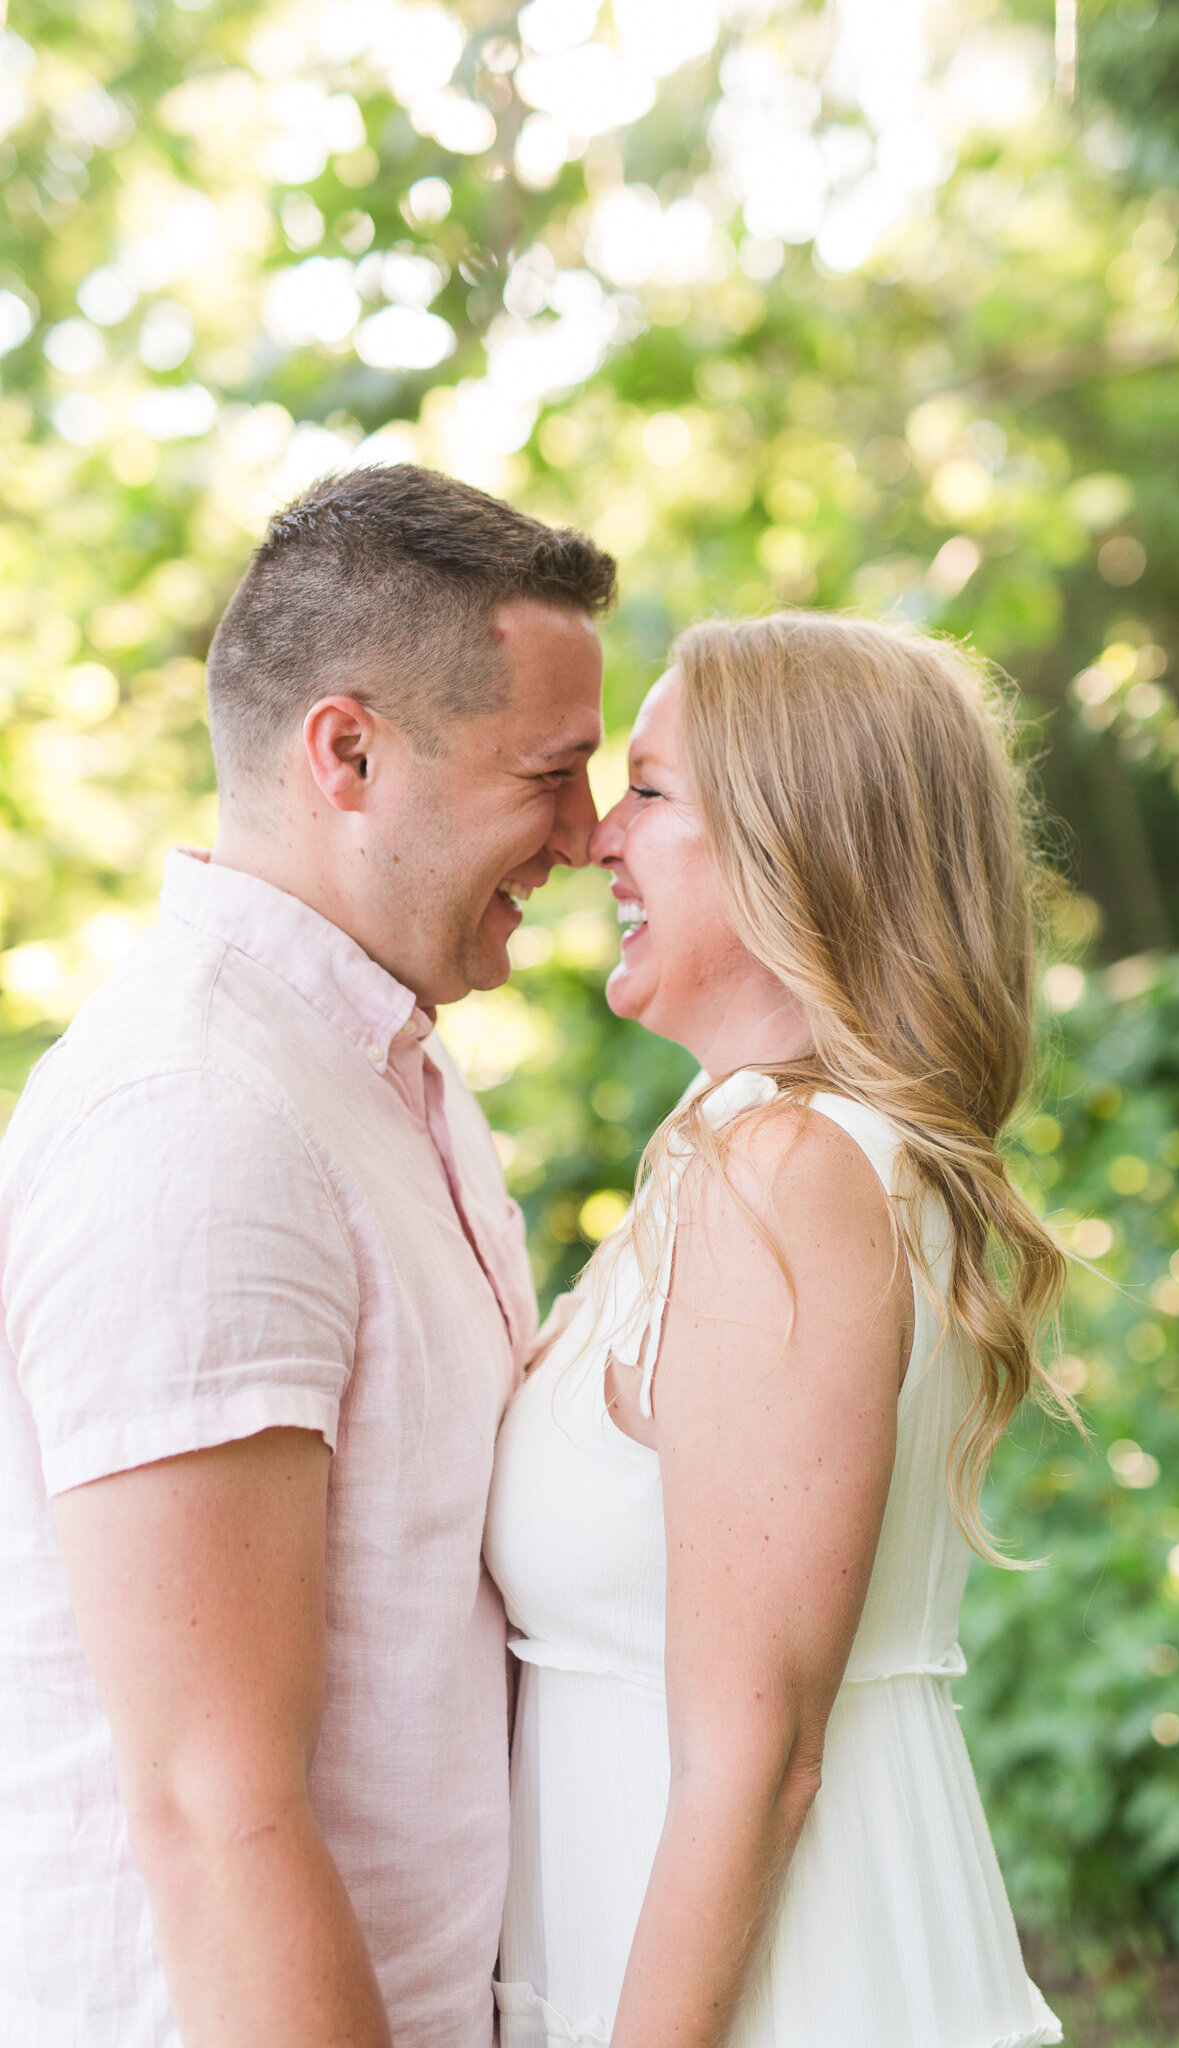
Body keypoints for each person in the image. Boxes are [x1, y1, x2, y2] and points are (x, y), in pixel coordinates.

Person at [0, 463, 614, 2048]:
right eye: (550, 773)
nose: (588, 836)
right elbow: (217, 1815)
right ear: (348, 753)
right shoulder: (196, 1118)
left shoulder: (385, 1077)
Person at [486, 612, 1072, 2048]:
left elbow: (759, 1759)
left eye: (652, 791)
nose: (595, 840)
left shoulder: (792, 1174)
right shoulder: (740, 1146)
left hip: (789, 1998)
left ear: (794, 843)